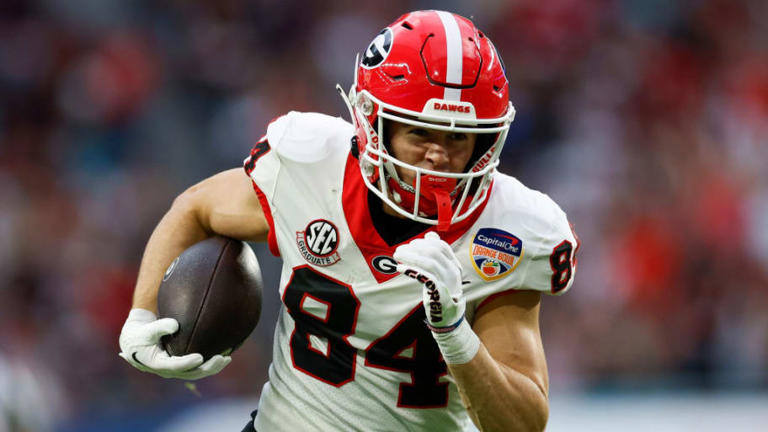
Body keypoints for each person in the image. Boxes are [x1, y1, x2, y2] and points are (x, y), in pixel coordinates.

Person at [119, 10, 579, 432]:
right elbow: (196, 207)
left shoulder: (508, 232)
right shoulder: (312, 164)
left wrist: (454, 332)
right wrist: (142, 315)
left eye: (460, 137)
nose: (438, 154)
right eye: (419, 131)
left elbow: (521, 425)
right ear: (374, 123)